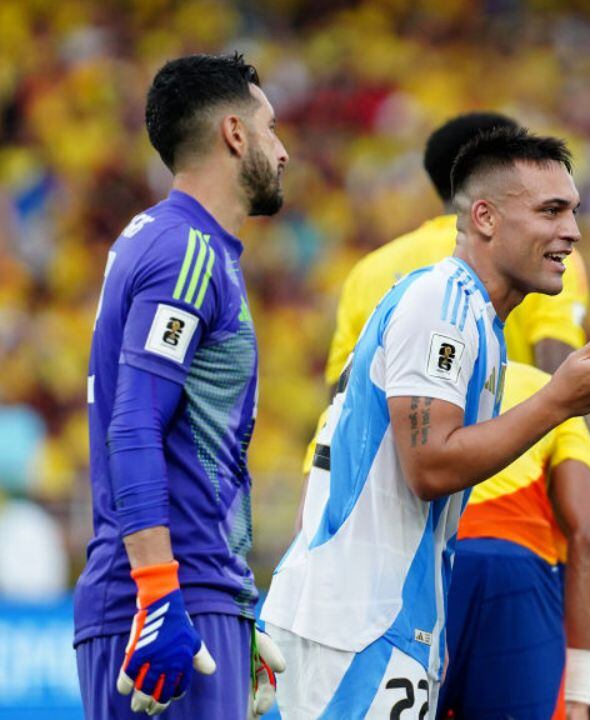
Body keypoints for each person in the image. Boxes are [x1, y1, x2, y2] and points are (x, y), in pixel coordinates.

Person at [260, 127, 590, 718]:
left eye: (573, 211)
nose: (573, 231)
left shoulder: (480, 322)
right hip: (354, 627)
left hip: (390, 619)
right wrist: (559, 400)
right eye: (551, 211)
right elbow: (430, 465)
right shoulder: (444, 300)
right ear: (485, 217)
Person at [76, 53, 289, 719]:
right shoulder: (186, 254)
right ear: (234, 133)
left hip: (198, 590)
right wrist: (162, 593)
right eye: (271, 128)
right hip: (168, 598)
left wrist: (233, 601)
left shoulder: (182, 246)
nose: (282, 151)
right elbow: (134, 426)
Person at [322, 112, 588, 388]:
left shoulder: (368, 270)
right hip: (490, 426)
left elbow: (340, 397)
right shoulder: (544, 252)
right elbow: (561, 380)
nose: (571, 231)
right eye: (551, 210)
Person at [440, 360, 590, 719]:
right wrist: (578, 695)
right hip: (519, 578)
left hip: (432, 571)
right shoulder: (555, 390)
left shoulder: (389, 379)